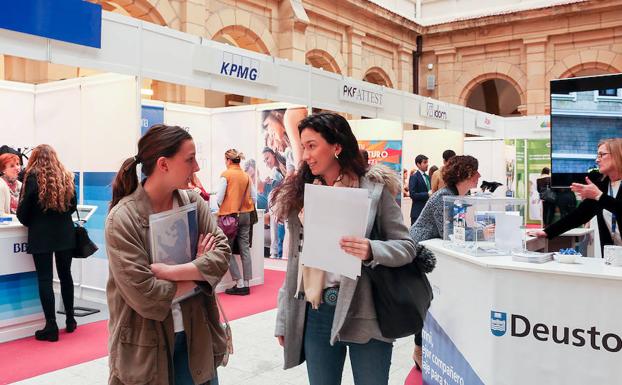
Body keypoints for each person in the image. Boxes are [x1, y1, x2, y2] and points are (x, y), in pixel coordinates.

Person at [272, 112, 418, 385]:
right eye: (303, 146)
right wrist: (284, 317)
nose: (305, 155)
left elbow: (407, 247)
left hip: (366, 311)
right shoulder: (302, 194)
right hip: (317, 310)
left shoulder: (374, 190)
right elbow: (295, 262)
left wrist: (371, 249)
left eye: (312, 145)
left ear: (336, 147)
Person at [106, 124, 230, 385]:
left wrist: (172, 272)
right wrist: (199, 273)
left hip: (197, 337)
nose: (196, 167)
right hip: (145, 348)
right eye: (189, 159)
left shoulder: (194, 204)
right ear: (163, 164)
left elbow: (221, 255)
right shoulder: (123, 218)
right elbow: (145, 296)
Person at [409, 154, 483, 369]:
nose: (479, 176)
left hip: (432, 257)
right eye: (475, 171)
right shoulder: (445, 197)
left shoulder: (458, 196)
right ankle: (419, 350)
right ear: (466, 173)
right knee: (426, 304)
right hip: (421, 256)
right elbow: (450, 233)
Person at [16, 145, 77, 342]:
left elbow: (23, 212)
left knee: (45, 279)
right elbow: (73, 206)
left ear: (33, 158)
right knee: (66, 276)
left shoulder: (31, 177)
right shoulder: (66, 176)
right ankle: (70, 319)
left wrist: (33, 222)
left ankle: (51, 326)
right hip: (65, 234)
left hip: (41, 235)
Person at [532, 138, 622, 254]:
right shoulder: (603, 186)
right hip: (613, 255)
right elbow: (578, 215)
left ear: (617, 155)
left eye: (602, 155)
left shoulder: (599, 192)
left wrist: (599, 196)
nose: (597, 160)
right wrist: (548, 232)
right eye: (597, 155)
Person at [217, 149, 257, 295]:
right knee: (245, 249)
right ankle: (246, 283)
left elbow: (219, 198)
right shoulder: (246, 176)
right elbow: (254, 196)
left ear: (228, 160)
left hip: (230, 217)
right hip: (246, 215)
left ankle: (238, 282)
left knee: (226, 249)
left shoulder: (226, 175)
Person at [408, 154, 430, 225]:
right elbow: (412, 194)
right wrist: (427, 194)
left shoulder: (428, 177)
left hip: (427, 212)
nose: (427, 164)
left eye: (427, 162)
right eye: (425, 162)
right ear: (418, 164)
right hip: (417, 212)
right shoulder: (414, 177)